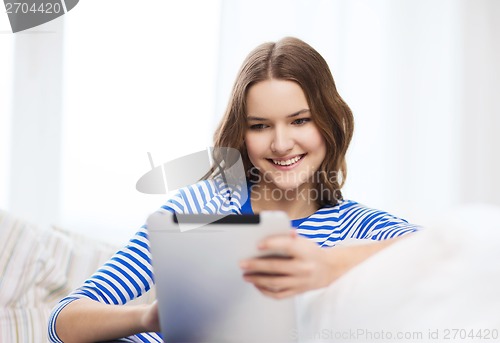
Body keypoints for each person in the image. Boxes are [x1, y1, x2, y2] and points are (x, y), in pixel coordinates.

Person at [48, 37, 420, 342]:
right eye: (260, 126)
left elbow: (451, 248)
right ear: (241, 135)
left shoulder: (357, 228)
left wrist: (327, 264)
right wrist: (148, 317)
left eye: (300, 120)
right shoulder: (197, 208)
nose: (280, 143)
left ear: (329, 122)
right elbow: (61, 322)